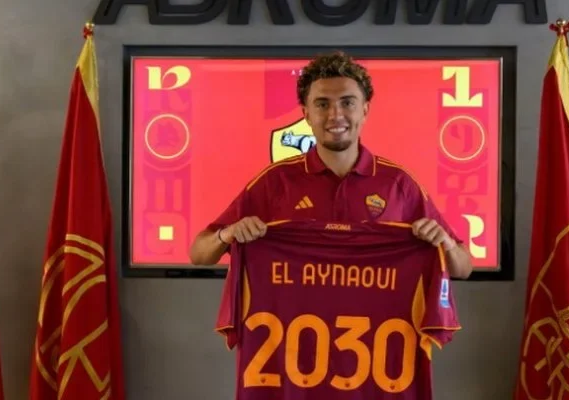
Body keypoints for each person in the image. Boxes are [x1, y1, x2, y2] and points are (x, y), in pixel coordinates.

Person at [189, 50, 473, 279]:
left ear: (365, 110)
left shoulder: (399, 183)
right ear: (306, 114)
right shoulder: (276, 181)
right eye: (322, 104)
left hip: (379, 331)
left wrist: (446, 244)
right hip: (295, 331)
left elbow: (463, 268)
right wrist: (227, 234)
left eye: (347, 103)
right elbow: (199, 253)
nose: (335, 115)